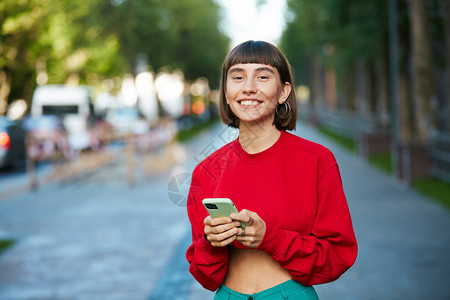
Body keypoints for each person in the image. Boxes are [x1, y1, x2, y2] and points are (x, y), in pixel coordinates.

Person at [186, 40, 357, 300]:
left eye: (263, 76)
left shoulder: (317, 161)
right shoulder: (205, 171)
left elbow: (338, 254)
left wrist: (270, 239)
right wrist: (212, 244)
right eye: (238, 77)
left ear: (283, 91)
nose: (249, 88)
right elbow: (204, 276)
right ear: (226, 91)